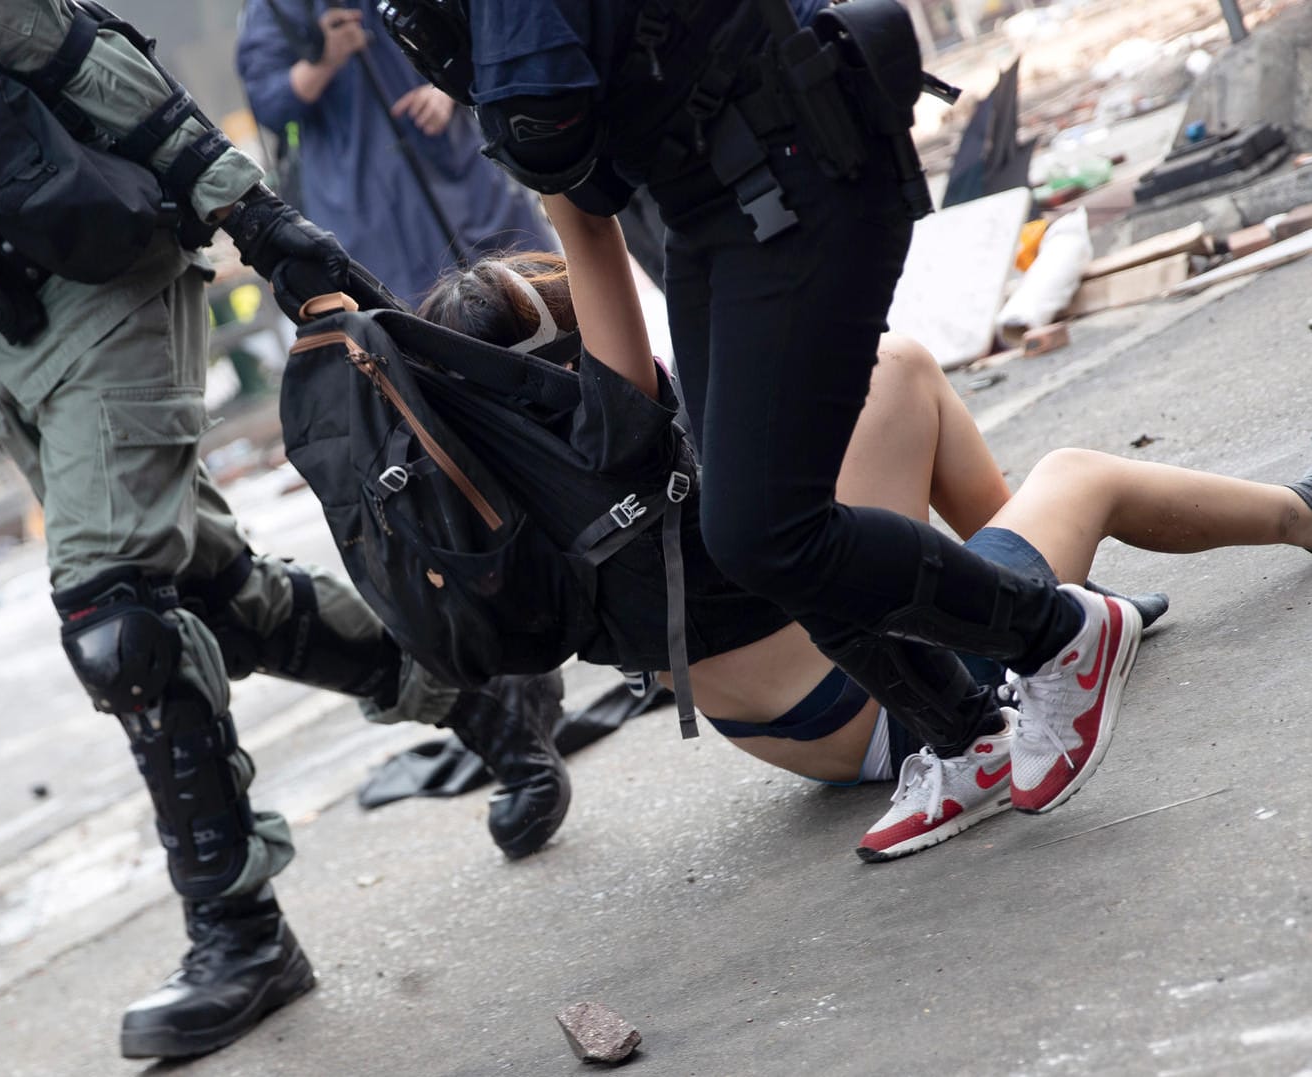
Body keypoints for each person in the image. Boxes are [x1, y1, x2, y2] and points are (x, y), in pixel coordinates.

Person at [0, 0, 568, 1060]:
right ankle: (479, 693)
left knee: (119, 621)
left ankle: (239, 931)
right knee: (199, 595)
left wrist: (250, 214)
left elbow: (76, 51)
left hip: (91, 267)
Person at [386, 0, 1149, 844]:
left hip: (786, 161)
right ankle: (1010, 680)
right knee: (781, 499)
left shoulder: (552, 476)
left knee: (766, 525)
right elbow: (585, 187)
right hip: (710, 200)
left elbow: (556, 147)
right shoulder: (598, 444)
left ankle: (1042, 643)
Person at [417, 206, 1312, 860]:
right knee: (1063, 463)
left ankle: (1040, 604)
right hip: (888, 704)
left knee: (886, 384)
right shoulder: (610, 427)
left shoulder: (493, 493)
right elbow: (588, 224)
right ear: (576, 340)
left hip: (799, 739)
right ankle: (1286, 518)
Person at [236, 0, 556, 305]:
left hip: (469, 182)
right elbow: (267, 102)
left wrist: (446, 91)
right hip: (369, 217)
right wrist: (324, 61)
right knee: (421, 336)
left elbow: (488, 32)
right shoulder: (273, 9)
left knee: (534, 295)